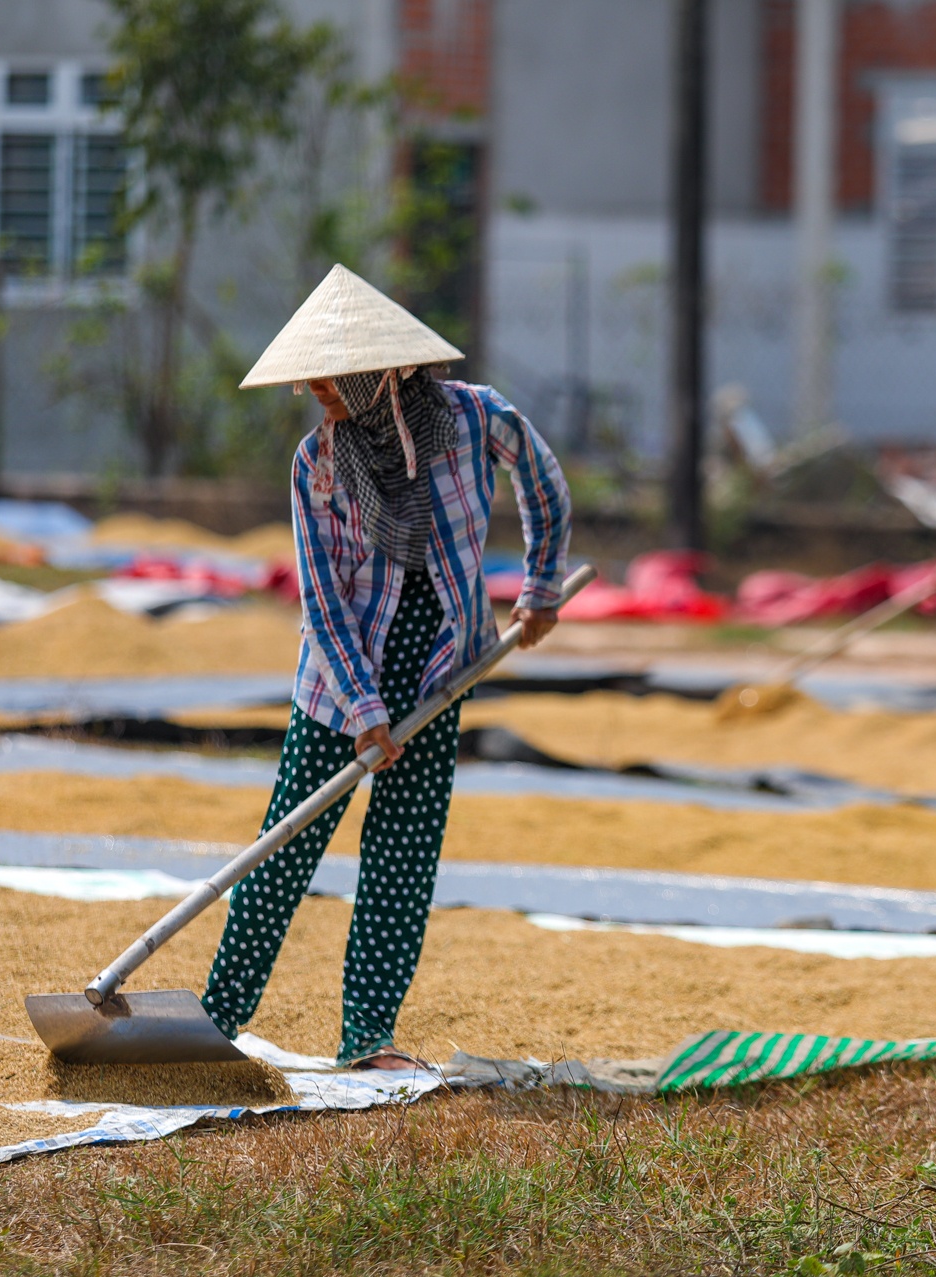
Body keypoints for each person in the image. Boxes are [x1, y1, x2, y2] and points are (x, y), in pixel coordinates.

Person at [204, 265, 572, 1069]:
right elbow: (323, 603)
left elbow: (542, 480)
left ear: (380, 373)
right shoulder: (317, 464)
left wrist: (541, 584)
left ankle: (367, 1037)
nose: (314, 392)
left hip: (440, 670)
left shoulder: (474, 420)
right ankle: (215, 1019)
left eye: (329, 377)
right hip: (338, 687)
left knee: (401, 861)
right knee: (284, 852)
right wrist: (366, 712)